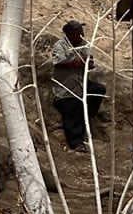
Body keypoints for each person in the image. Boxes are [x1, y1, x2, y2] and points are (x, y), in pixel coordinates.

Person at [46, 20, 109, 152]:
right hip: (65, 88)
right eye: (78, 33)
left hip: (81, 83)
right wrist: (78, 62)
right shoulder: (60, 45)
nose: (82, 36)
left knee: (98, 90)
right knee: (73, 106)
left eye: (82, 33)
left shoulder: (83, 44)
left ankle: (88, 114)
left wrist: (89, 63)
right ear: (69, 34)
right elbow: (59, 62)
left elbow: (88, 62)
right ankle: (76, 142)